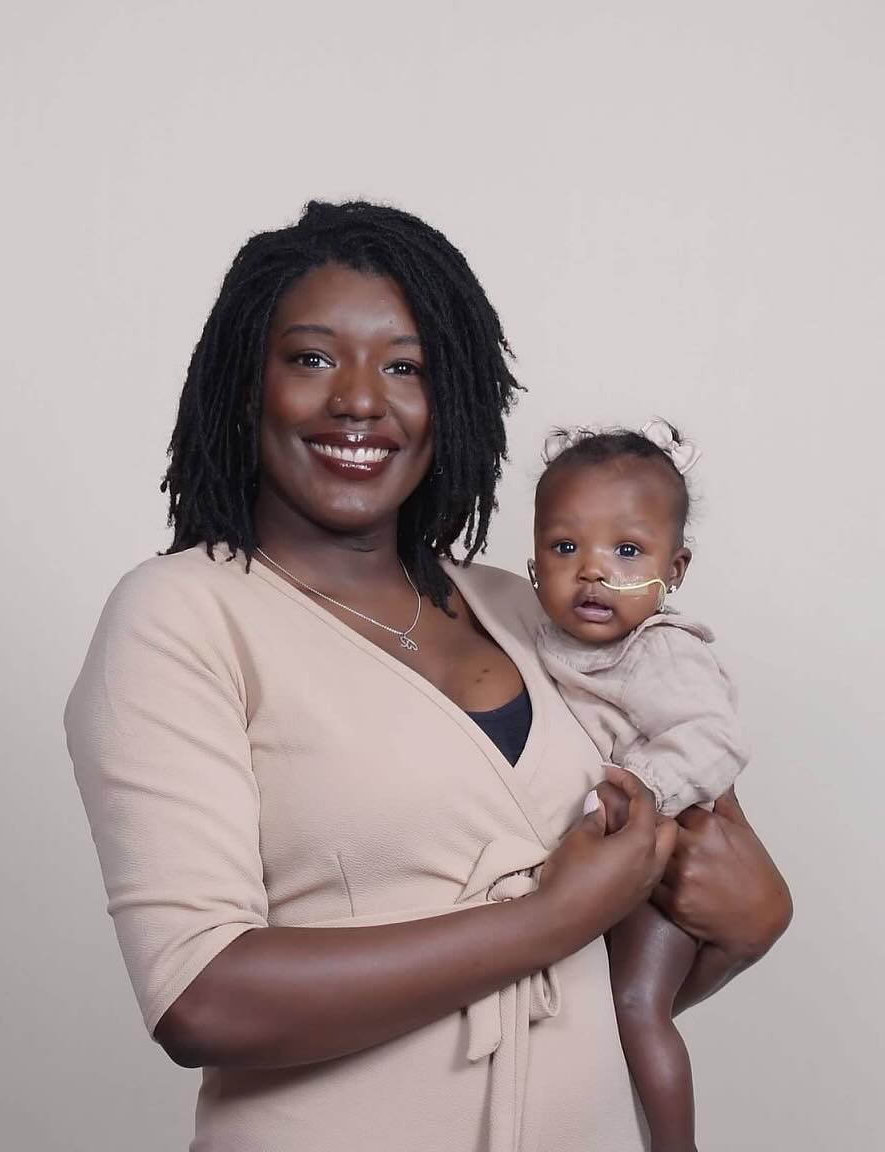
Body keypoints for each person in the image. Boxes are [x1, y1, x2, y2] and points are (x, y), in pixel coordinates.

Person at [64, 201, 790, 1152]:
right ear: (247, 387)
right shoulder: (181, 615)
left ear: (452, 397)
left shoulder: (531, 610)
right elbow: (200, 997)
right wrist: (547, 919)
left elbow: (611, 973)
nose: (361, 400)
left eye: (404, 365)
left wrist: (752, 918)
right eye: (313, 358)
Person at [528, 422, 748, 1152]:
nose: (594, 572)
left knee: (633, 1005)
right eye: (566, 548)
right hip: (609, 867)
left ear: (674, 568)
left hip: (664, 855)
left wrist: (640, 793)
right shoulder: (537, 637)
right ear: (533, 563)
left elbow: (715, 741)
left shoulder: (661, 651)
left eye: (627, 552)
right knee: (588, 1017)